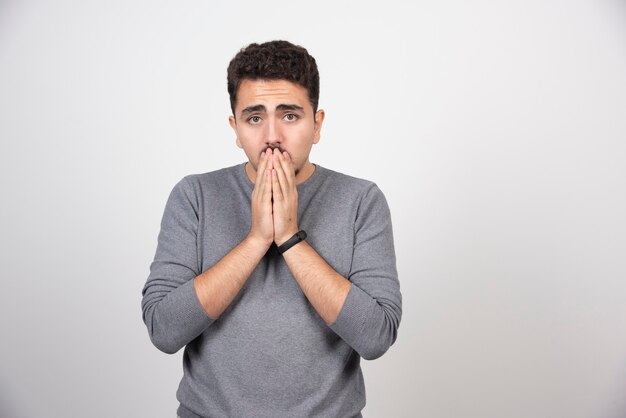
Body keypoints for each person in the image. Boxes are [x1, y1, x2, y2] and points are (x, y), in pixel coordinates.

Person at [141, 40, 402, 418]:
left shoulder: (362, 200)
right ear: (235, 127)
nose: (272, 136)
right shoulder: (194, 196)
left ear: (317, 125)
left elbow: (376, 336)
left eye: (290, 116)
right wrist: (257, 239)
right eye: (254, 117)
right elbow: (164, 329)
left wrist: (290, 239)